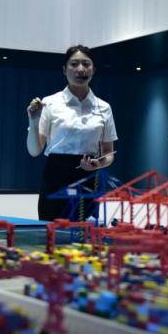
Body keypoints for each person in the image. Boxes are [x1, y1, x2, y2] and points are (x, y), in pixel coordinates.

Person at [27, 45, 117, 222]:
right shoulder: (50, 103)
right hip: (55, 177)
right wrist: (33, 122)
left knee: (85, 233)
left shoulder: (104, 107)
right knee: (51, 231)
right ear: (64, 70)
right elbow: (34, 151)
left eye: (86, 64)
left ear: (93, 70)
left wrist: (98, 164)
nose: (80, 69)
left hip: (88, 176)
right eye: (74, 64)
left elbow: (109, 153)